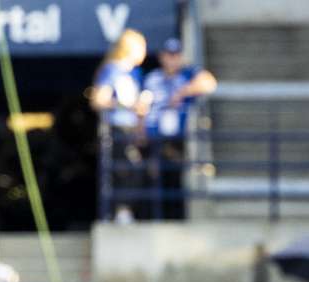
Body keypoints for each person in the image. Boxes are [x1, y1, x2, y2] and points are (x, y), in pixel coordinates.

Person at [142, 37, 217, 220]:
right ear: (162, 57)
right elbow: (143, 105)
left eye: (176, 55)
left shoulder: (187, 74)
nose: (172, 59)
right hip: (155, 138)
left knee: (177, 181)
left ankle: (177, 218)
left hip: (179, 140)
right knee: (153, 181)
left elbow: (209, 83)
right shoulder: (152, 78)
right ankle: (157, 220)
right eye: (169, 55)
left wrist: (182, 92)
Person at [88, 29, 152, 223]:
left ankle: (125, 210)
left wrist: (140, 126)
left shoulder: (134, 73)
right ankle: (119, 211)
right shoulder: (112, 69)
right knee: (123, 169)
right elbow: (98, 100)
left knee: (135, 169)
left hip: (130, 129)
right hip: (115, 129)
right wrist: (126, 105)